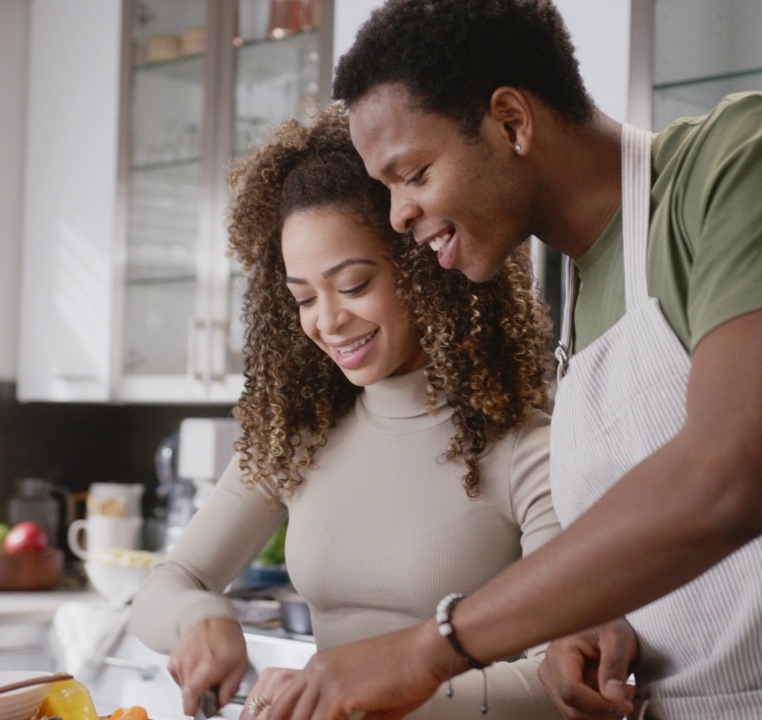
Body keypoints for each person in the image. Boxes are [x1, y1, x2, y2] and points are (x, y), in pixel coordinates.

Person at [261, 2, 762, 719]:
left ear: (510, 120)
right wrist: (591, 626)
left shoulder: (749, 164)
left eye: (413, 174)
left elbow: (733, 478)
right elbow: (683, 565)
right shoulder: (583, 297)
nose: (398, 216)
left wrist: (434, 647)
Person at [128, 106, 617, 719]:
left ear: (425, 268)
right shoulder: (303, 439)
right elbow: (171, 582)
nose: (327, 321)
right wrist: (199, 619)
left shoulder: (528, 451)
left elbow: (562, 678)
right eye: (303, 297)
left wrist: (381, 695)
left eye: (354, 285)